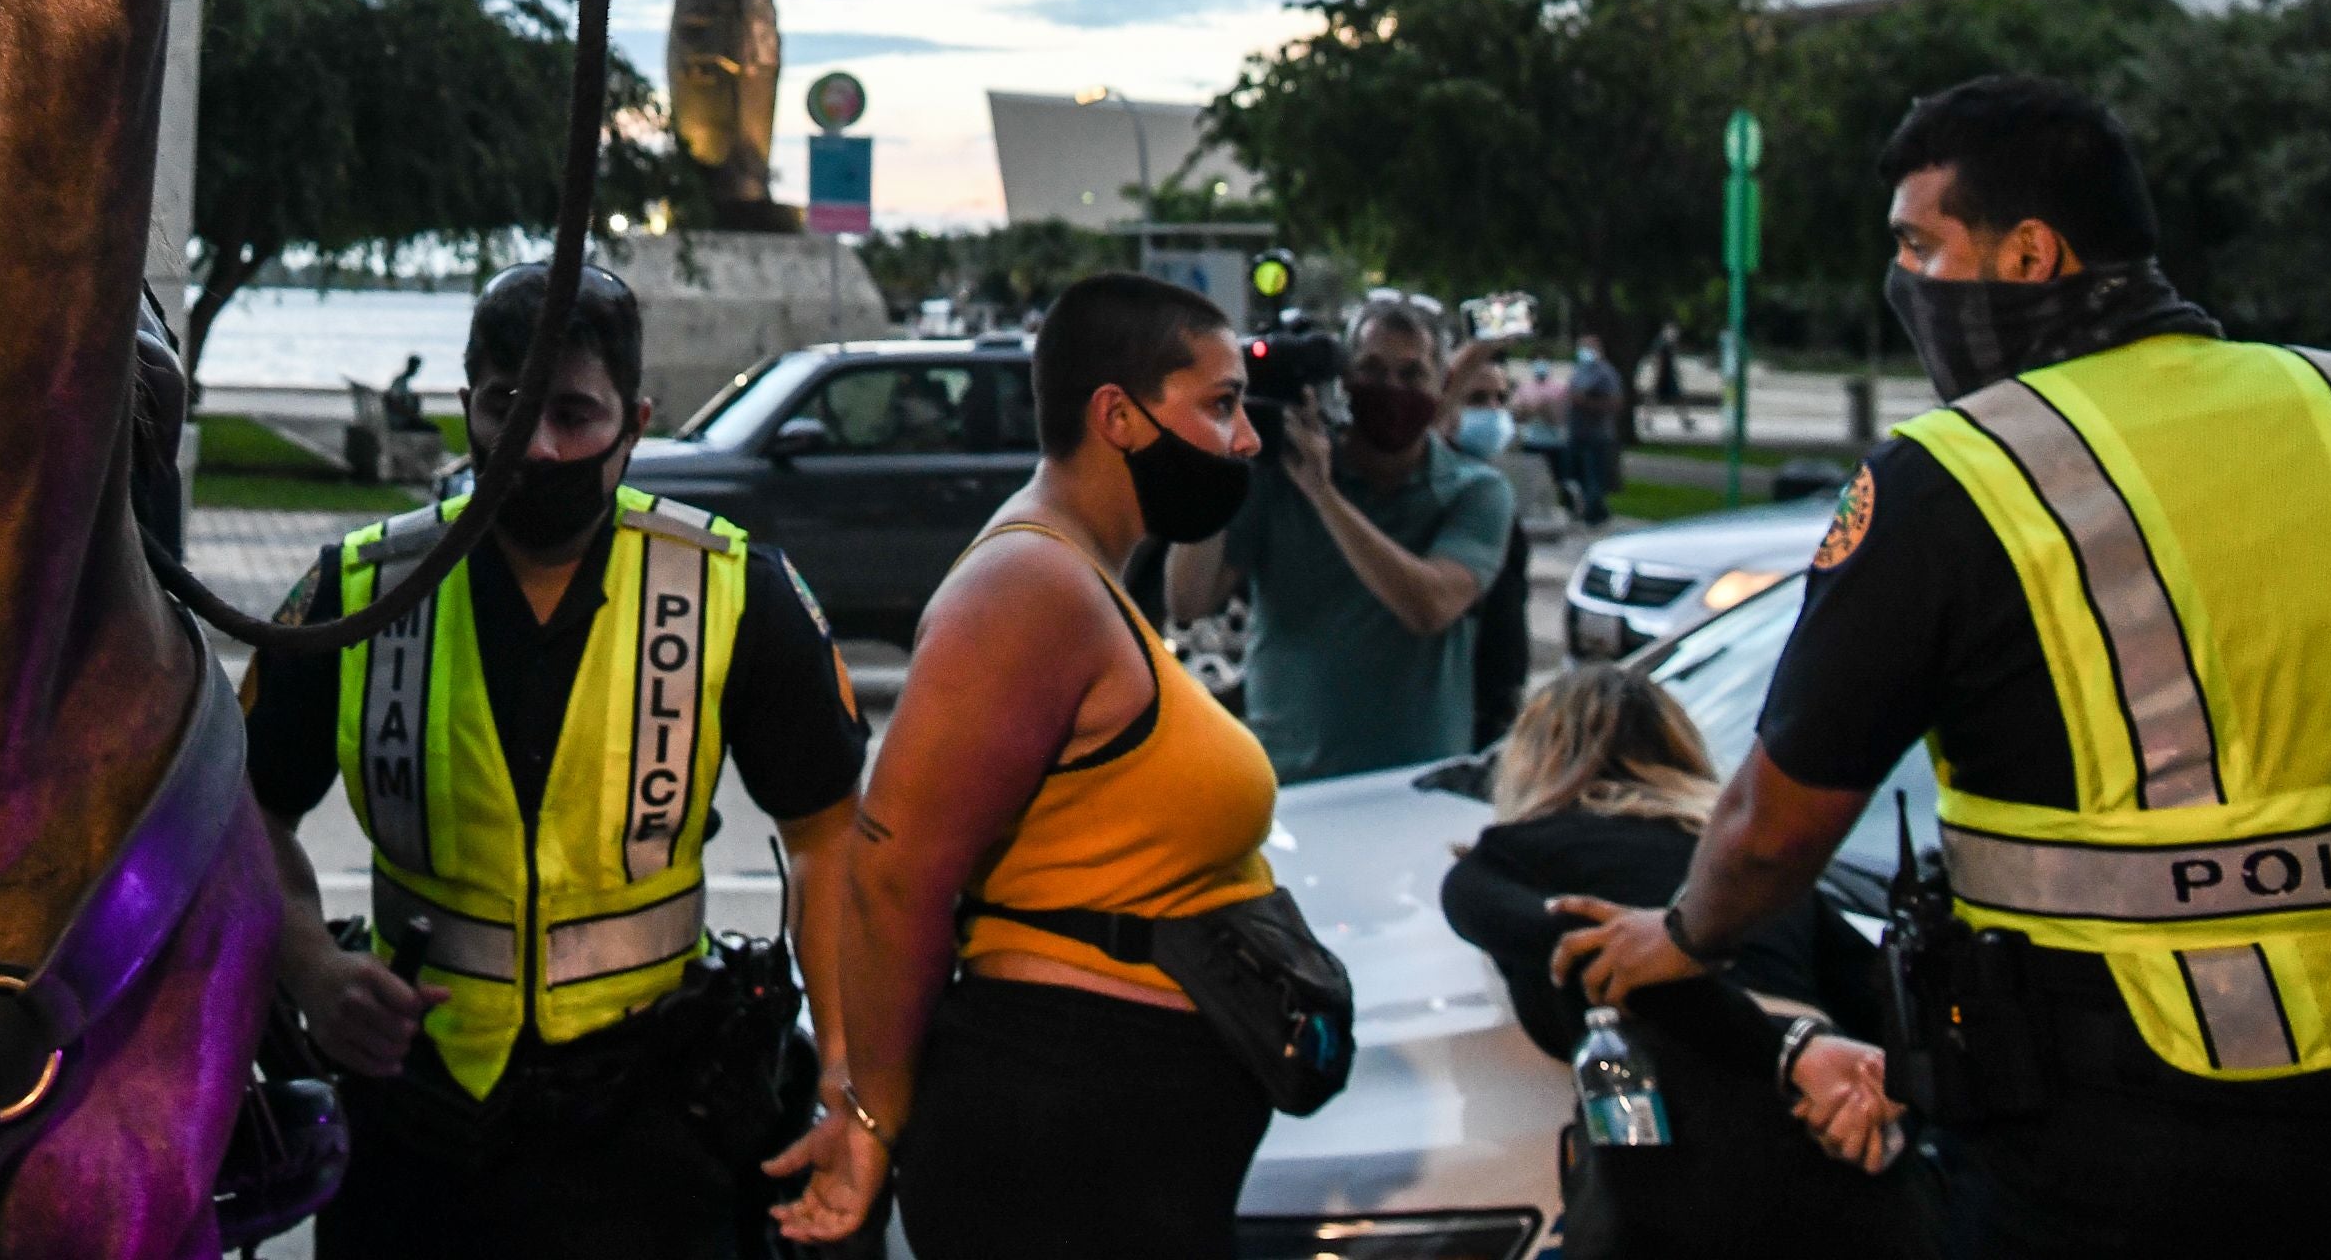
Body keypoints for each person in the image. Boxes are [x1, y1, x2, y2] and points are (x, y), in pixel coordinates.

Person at [1552, 74, 2331, 1260]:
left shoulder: (1952, 476)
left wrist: (1683, 935)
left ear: (2031, 252)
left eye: (1919, 246)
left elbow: (1776, 826)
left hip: (2123, 1147)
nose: (1905, 284)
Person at [243, 261, 869, 1260]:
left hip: (654, 1123)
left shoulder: (737, 591)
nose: (538, 443)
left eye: (574, 412)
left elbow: (830, 838)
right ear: (466, 408)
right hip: (413, 1115)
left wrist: (844, 1073)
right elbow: (244, 811)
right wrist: (312, 964)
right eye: (508, 405)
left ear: (636, 420)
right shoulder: (357, 590)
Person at [768, 271, 1278, 1258]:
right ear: (1118, 416)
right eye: (1221, 403)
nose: (1246, 438)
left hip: (1115, 1131)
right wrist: (871, 1116)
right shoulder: (1029, 582)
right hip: (1058, 1127)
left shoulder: (1081, 574)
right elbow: (892, 870)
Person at [1445, 664, 1933, 1257]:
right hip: (1842, 1156)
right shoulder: (1750, 876)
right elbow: (1895, 1014)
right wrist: (1842, 1077)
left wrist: (1788, 1054)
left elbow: (1602, 958)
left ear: (1529, 762)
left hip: (1681, 1187)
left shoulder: (1506, 861)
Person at [1167, 293, 1515, 783]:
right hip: (1288, 781)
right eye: (1371, 370)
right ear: (1344, 381)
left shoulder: (1475, 491)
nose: (1390, 388)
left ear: (1441, 387)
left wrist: (1324, 494)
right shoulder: (1277, 475)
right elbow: (1188, 599)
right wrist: (1212, 467)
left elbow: (1430, 606)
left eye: (1412, 374)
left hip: (1417, 785)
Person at [1455, 385, 1531, 750]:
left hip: (1498, 685)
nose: (1493, 411)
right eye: (1477, 397)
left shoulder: (1492, 487)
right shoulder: (1447, 491)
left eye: (1501, 398)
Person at [1563, 334, 1624, 527]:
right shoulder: (1580, 371)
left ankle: (1593, 515)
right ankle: (1594, 512)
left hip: (1597, 435)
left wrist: (1586, 402)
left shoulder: (1606, 373)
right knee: (1578, 476)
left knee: (1593, 477)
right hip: (1577, 432)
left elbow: (1615, 403)